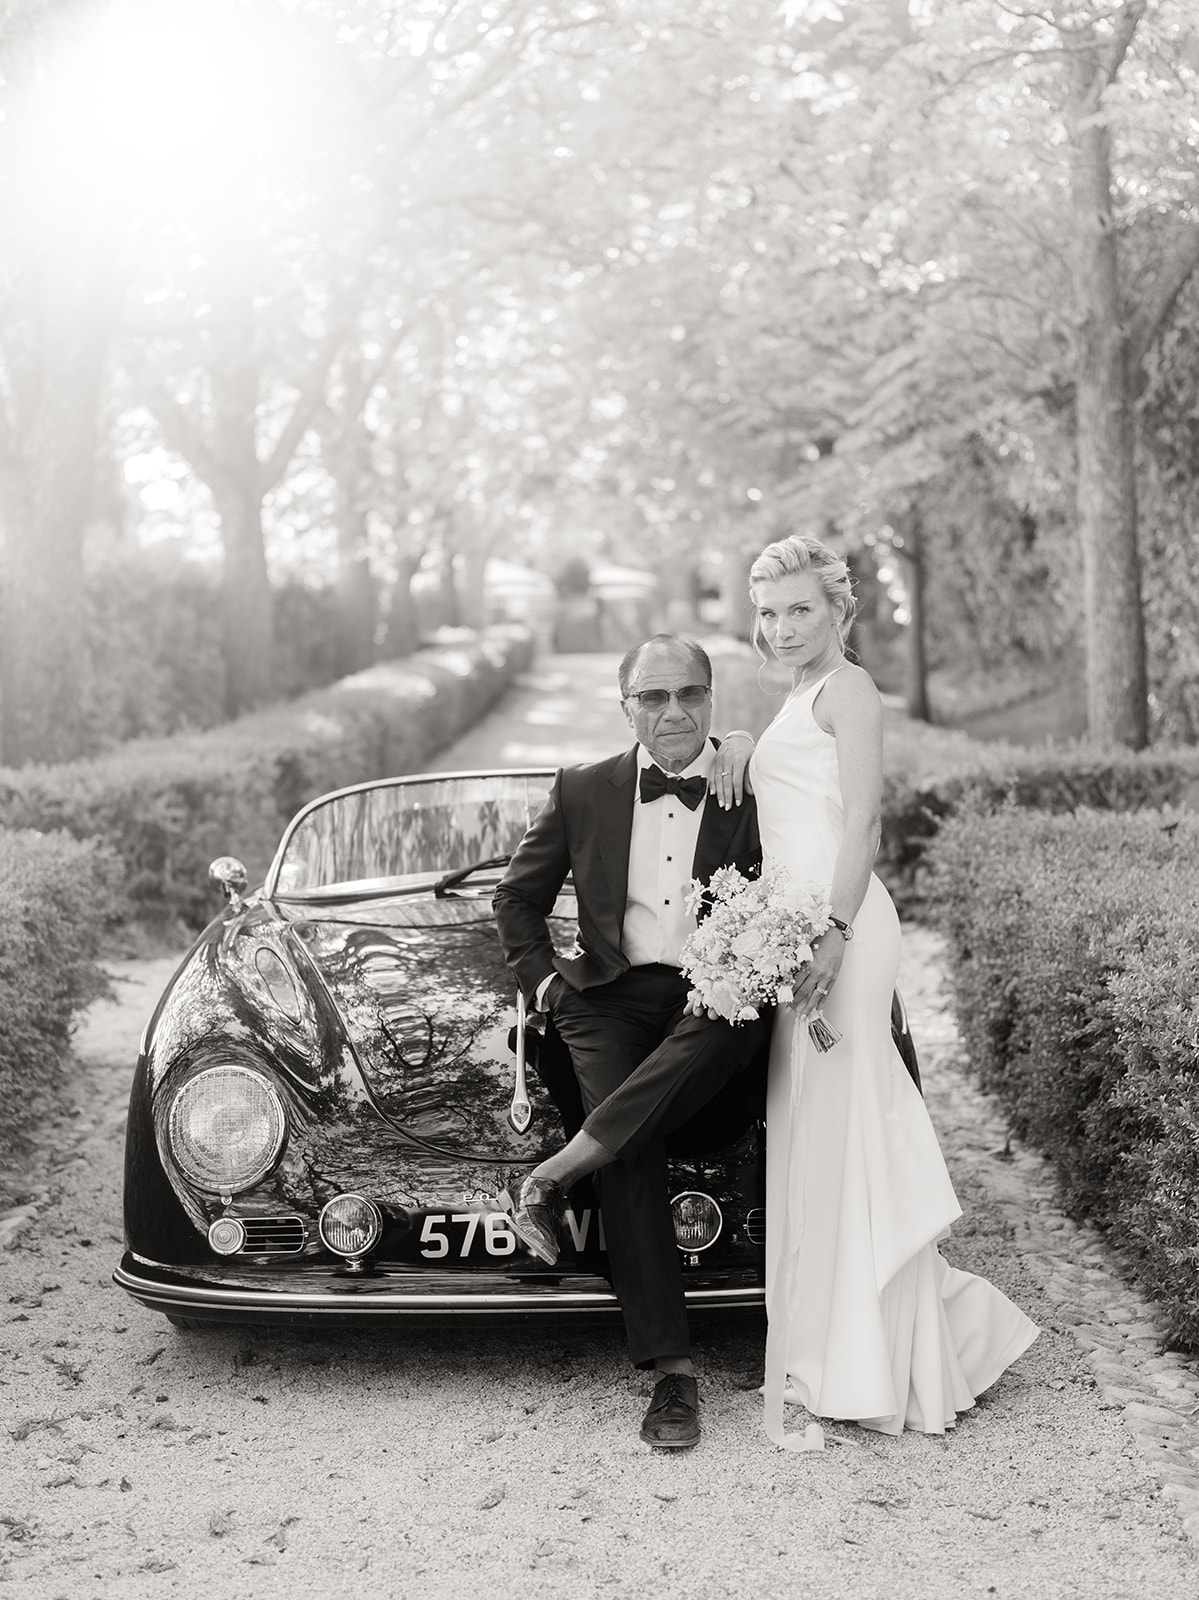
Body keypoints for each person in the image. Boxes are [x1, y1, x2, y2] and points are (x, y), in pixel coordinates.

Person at [739, 533, 1038, 1448]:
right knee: (813, 1133)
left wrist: (827, 934)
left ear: (840, 613)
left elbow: (861, 820)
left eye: (801, 610)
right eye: (770, 611)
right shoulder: (796, 696)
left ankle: (883, 1358)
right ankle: (836, 1342)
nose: (783, 627)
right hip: (794, 928)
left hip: (842, 929)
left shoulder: (851, 688)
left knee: (850, 1122)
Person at [492, 635, 767, 1451]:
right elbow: (517, 900)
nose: (673, 712)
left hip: (719, 989)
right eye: (653, 697)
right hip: (607, 996)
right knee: (631, 1137)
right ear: (626, 707)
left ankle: (550, 1175)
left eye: (690, 694)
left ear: (713, 701)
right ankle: (672, 1373)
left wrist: (748, 749)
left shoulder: (750, 780)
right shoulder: (583, 789)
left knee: (727, 1018)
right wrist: (546, 986)